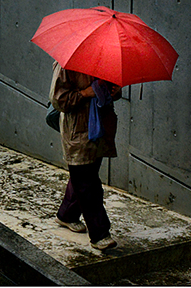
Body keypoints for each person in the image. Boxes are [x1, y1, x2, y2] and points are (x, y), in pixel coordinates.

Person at [49, 62, 122, 251]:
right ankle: (100, 234)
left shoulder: (107, 59)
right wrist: (84, 93)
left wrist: (114, 92)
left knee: (83, 177)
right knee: (87, 182)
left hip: (100, 130)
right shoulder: (67, 63)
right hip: (78, 130)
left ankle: (67, 215)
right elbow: (58, 100)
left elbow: (111, 92)